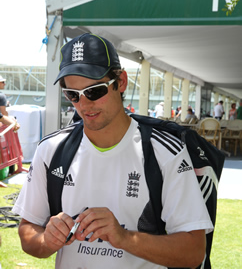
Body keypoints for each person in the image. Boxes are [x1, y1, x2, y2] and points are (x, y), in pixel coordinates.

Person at [12, 33, 212, 269]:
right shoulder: (51, 149)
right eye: (72, 95)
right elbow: (28, 231)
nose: (84, 105)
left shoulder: (164, 152)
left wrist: (124, 238)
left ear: (122, 82)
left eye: (95, 91)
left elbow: (193, 252)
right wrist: (47, 240)